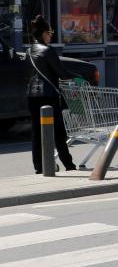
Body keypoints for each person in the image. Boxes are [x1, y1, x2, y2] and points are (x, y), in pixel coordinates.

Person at [25, 15, 76, 174]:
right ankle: (69, 165)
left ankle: (39, 168)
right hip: (48, 96)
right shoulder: (48, 50)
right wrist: (77, 77)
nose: (51, 34)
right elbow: (61, 73)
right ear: (42, 33)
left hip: (32, 96)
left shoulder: (29, 51)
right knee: (59, 132)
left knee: (36, 133)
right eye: (49, 32)